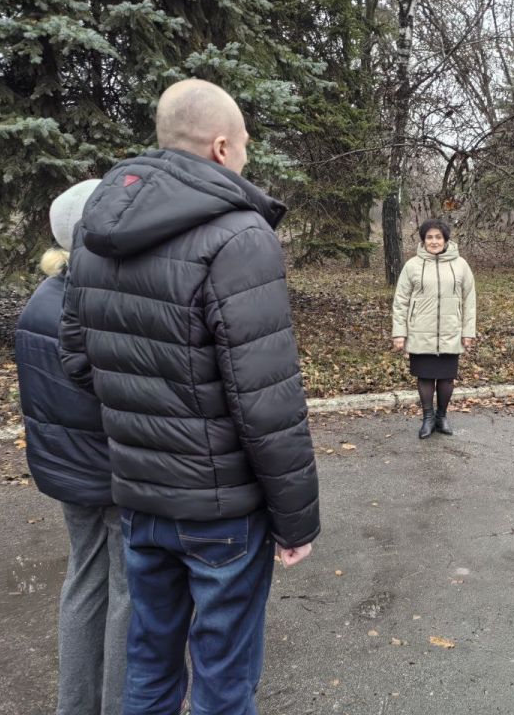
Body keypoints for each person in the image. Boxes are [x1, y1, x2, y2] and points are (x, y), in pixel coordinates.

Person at [59, 79, 320, 715]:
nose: (248, 158)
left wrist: (150, 419)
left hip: (141, 498)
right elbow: (266, 401)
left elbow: (77, 358)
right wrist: (297, 520)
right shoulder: (238, 236)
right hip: (222, 511)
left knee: (148, 667)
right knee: (223, 680)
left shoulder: (97, 231)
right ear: (223, 146)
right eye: (247, 146)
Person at [15, 179, 129, 715]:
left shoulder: (40, 300)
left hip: (66, 473)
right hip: (118, 472)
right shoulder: (103, 304)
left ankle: (75, 705)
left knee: (84, 579)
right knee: (130, 592)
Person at [391, 219, 476, 438]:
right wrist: (399, 332)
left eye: (438, 237)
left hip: (451, 331)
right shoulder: (412, 265)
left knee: (447, 378)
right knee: (425, 377)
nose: (434, 241)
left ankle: (442, 417)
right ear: (423, 240)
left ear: (446, 239)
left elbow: (469, 300)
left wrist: (468, 332)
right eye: (429, 237)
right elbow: (401, 301)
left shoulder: (460, 265)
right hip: (420, 331)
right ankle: (427, 419)